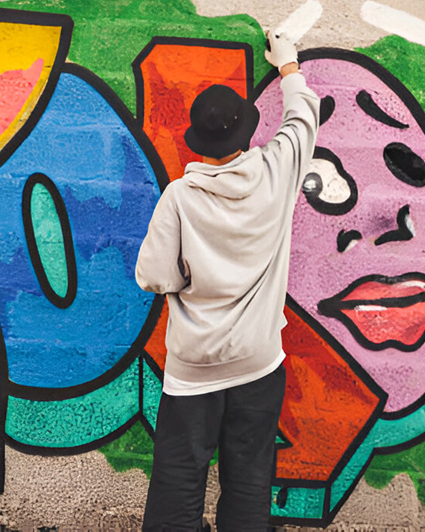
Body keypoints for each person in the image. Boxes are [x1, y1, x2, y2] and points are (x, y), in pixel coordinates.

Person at [135, 30, 320, 532]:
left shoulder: (180, 198)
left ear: (200, 141)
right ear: (244, 133)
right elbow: (303, 118)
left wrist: (189, 277)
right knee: (249, 481)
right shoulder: (277, 172)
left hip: (194, 368)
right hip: (258, 362)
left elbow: (152, 276)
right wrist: (287, 63)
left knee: (178, 480)